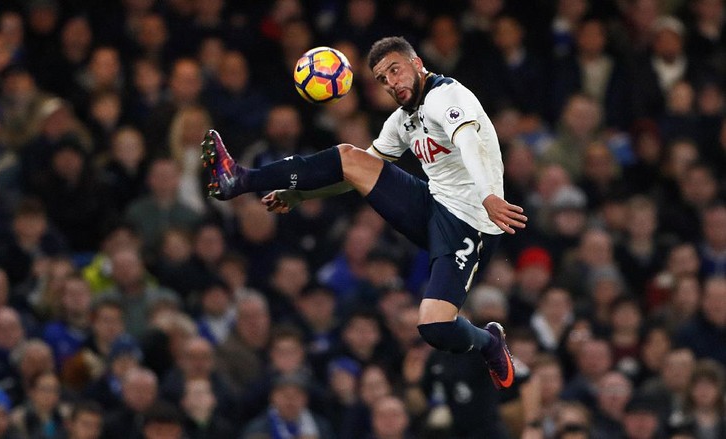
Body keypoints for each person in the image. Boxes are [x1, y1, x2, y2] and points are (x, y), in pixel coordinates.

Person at [202, 36, 526, 389]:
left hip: (472, 223)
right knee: (351, 157)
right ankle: (240, 178)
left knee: (434, 327)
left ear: (417, 63)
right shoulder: (403, 120)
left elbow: (468, 142)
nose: (391, 83)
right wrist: (300, 196)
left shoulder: (447, 96)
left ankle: (489, 342)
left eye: (395, 70)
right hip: (433, 205)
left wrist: (490, 196)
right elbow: (352, 175)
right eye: (383, 79)